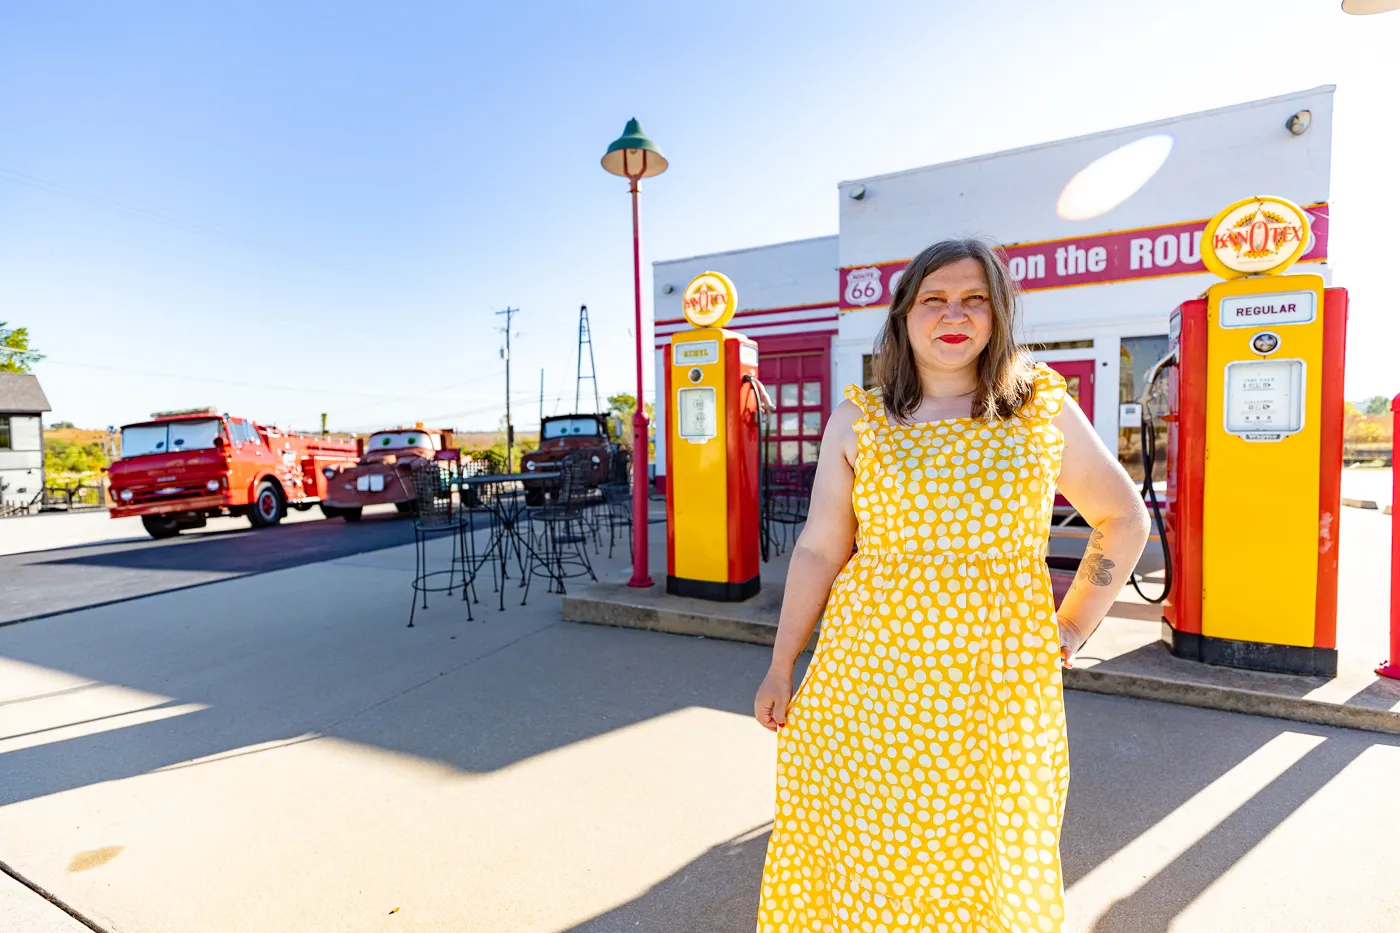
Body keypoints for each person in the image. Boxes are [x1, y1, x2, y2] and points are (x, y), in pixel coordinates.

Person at [753, 238, 1150, 933]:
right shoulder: (860, 419)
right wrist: (782, 662)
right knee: (863, 849)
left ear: (998, 315)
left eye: (974, 299)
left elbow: (1122, 518)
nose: (953, 314)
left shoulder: (1037, 410)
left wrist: (1071, 626)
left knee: (981, 853)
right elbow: (819, 548)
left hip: (991, 690)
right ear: (905, 315)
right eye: (934, 299)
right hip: (865, 685)